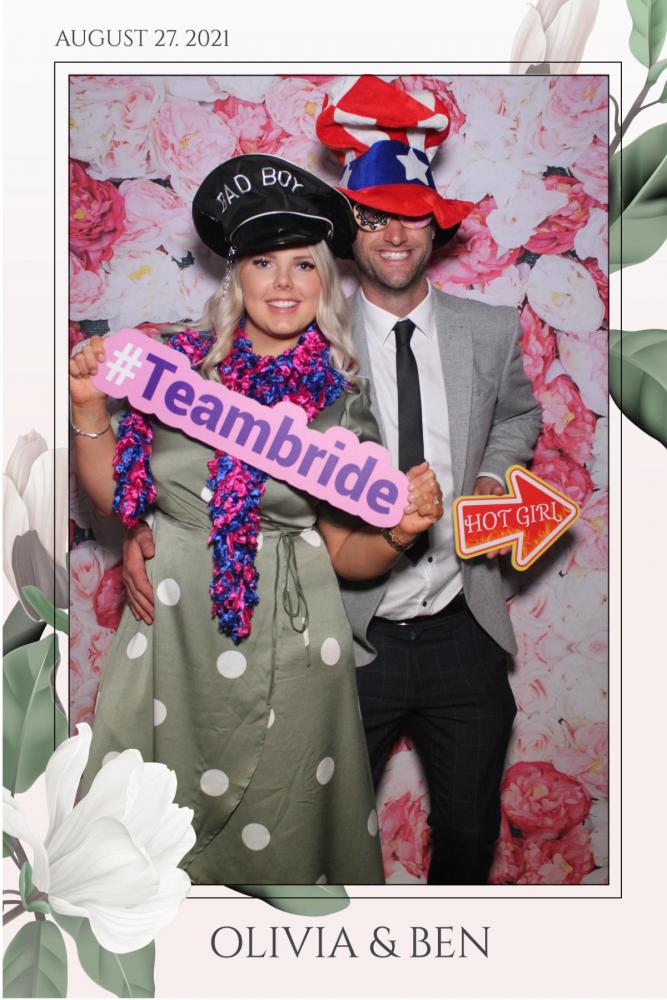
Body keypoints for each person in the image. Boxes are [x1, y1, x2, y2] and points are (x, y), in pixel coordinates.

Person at [122, 76, 542, 886]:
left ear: (436, 224)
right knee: (318, 835)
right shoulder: (307, 334)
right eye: (373, 216)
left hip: (463, 623)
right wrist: (148, 526)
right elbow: (201, 441)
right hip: (344, 630)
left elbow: (518, 416)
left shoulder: (490, 331)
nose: (393, 235)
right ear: (348, 230)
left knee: (467, 832)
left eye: (409, 215)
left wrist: (493, 477)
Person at [69, 152, 444, 886]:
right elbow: (121, 497)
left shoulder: (340, 402)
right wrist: (89, 407)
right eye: (263, 263)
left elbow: (344, 553)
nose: (283, 283)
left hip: (291, 636)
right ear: (235, 277)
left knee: (283, 831)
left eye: (303, 265)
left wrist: (401, 531)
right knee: (141, 832)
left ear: (324, 282)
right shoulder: (172, 368)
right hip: (170, 627)